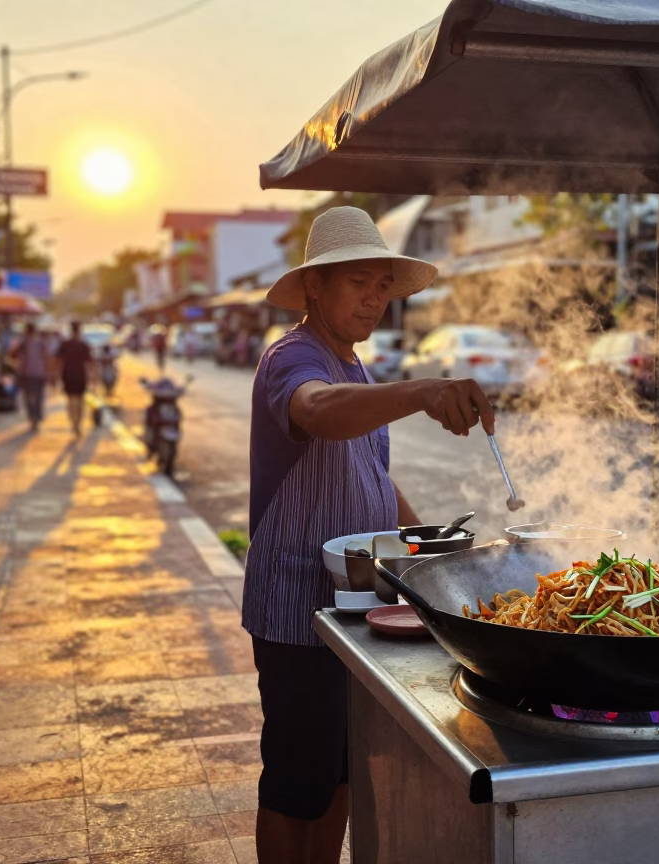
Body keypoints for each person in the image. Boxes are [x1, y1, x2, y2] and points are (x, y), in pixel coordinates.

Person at [243, 207, 494, 864]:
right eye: (358, 281)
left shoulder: (353, 366)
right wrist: (422, 391)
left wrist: (440, 549)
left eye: (382, 284)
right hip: (297, 609)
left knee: (342, 771)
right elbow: (317, 412)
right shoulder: (293, 356)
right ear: (314, 286)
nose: (374, 298)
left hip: (353, 608)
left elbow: (372, 475)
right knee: (296, 782)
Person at [56, 322, 93, 439]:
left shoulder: (66, 344)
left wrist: (56, 375)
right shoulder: (83, 345)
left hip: (68, 375)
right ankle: (77, 423)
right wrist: (92, 377)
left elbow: (59, 361)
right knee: (80, 401)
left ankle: (74, 422)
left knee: (71, 400)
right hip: (80, 376)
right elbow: (90, 363)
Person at [13, 322, 50, 431]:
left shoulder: (24, 343)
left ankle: (33, 417)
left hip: (28, 374)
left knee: (29, 397)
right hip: (38, 374)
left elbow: (14, 355)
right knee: (38, 397)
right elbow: (46, 358)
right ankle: (36, 417)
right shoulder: (40, 343)